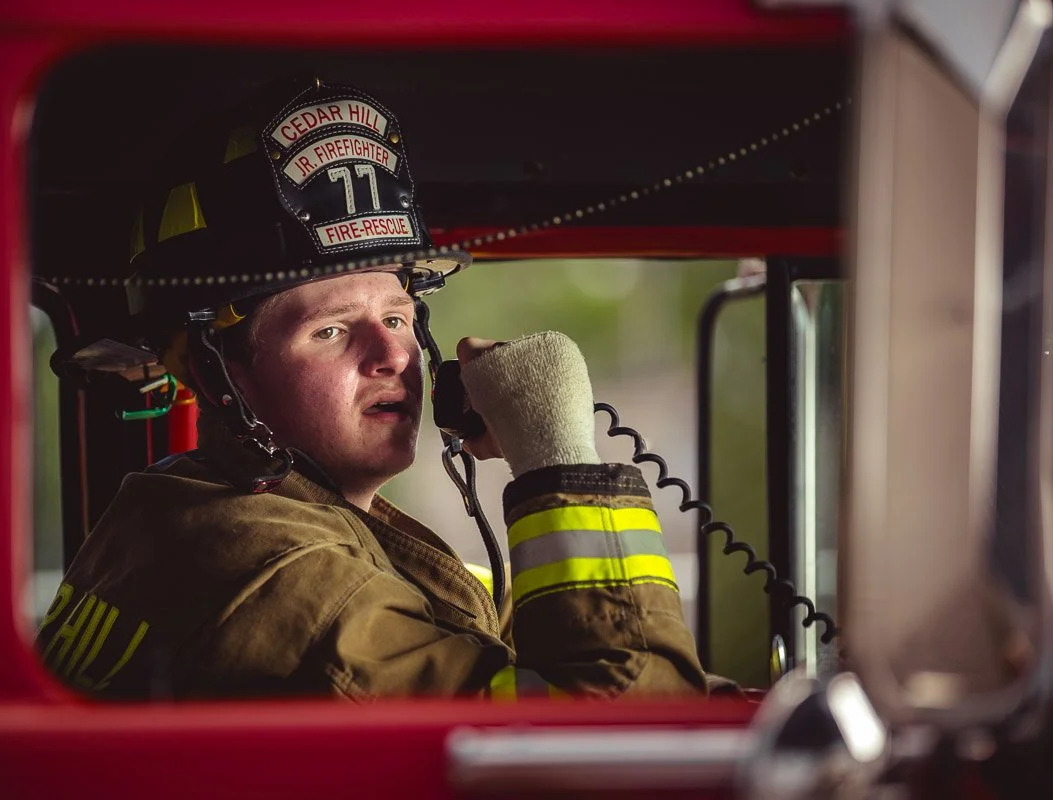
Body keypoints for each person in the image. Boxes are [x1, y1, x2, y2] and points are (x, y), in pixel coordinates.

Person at [36, 77, 707, 700]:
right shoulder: (285, 582)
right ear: (217, 373)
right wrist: (557, 455)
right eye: (329, 331)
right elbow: (628, 723)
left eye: (396, 317)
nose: (394, 354)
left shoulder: (197, 512)